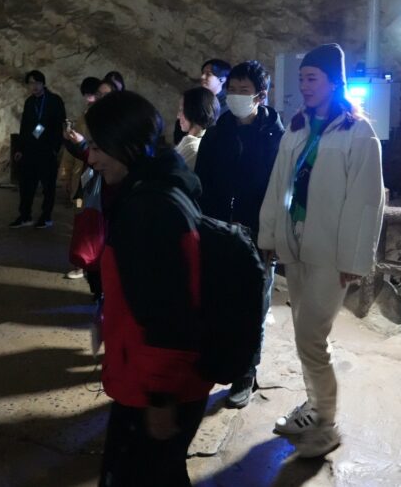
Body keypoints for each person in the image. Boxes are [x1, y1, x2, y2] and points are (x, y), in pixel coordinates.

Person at [258, 44, 385, 458]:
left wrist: (354, 259)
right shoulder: (296, 128)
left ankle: (326, 423)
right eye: (301, 78)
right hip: (297, 242)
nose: (304, 85)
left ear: (334, 82)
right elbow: (278, 184)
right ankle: (314, 408)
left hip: (331, 251)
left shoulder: (358, 133)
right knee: (304, 333)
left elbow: (365, 201)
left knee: (312, 336)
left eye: (312, 78)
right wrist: (270, 236)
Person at [87, 91, 213, 487]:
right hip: (152, 378)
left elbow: (169, 311)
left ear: (126, 144)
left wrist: (160, 399)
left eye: (98, 147)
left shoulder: (149, 210)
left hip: (157, 386)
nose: (91, 157)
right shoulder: (153, 186)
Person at [193, 60, 284, 407]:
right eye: (231, 90)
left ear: (261, 95)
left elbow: (282, 191)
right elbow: (202, 184)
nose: (235, 96)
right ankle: (219, 363)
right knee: (219, 301)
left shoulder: (277, 138)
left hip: (258, 234)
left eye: (243, 91)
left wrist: (274, 236)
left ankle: (246, 372)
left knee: (254, 306)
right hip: (220, 231)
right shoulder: (217, 134)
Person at [11, 70, 67, 229]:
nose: (34, 86)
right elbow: (24, 127)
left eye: (37, 83)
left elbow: (60, 125)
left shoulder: (54, 100)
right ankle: (25, 215)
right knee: (26, 184)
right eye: (30, 83)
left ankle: (46, 216)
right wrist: (20, 148)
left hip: (47, 150)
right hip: (30, 150)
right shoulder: (29, 102)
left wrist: (55, 148)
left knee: (48, 186)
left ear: (43, 83)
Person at [60, 77, 102, 215]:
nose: (88, 98)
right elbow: (71, 151)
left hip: (97, 175)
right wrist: (65, 175)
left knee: (94, 210)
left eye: (92, 94)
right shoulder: (82, 120)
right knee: (79, 205)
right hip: (81, 175)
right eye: (86, 94)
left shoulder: (107, 120)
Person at [173, 59, 230, 145]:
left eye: (208, 74)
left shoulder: (228, 107)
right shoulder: (194, 96)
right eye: (203, 73)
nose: (202, 77)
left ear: (222, 79)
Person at [174, 87, 216, 171]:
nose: (178, 116)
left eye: (181, 110)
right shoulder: (190, 142)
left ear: (194, 111)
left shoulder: (193, 149)